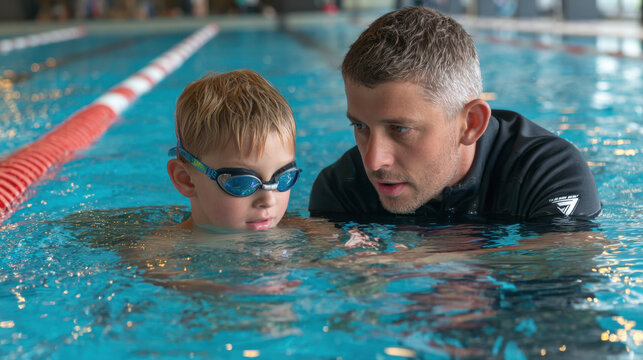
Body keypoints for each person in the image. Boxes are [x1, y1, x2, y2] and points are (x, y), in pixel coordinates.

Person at [309, 6, 601, 221]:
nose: (372, 160)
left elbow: (562, 266)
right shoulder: (342, 187)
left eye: (400, 129)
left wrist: (420, 260)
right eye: (361, 126)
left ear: (470, 124)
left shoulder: (548, 172)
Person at [167, 69, 301, 231]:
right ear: (186, 179)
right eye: (242, 183)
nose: (268, 200)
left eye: (285, 178)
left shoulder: (312, 237)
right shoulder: (162, 254)